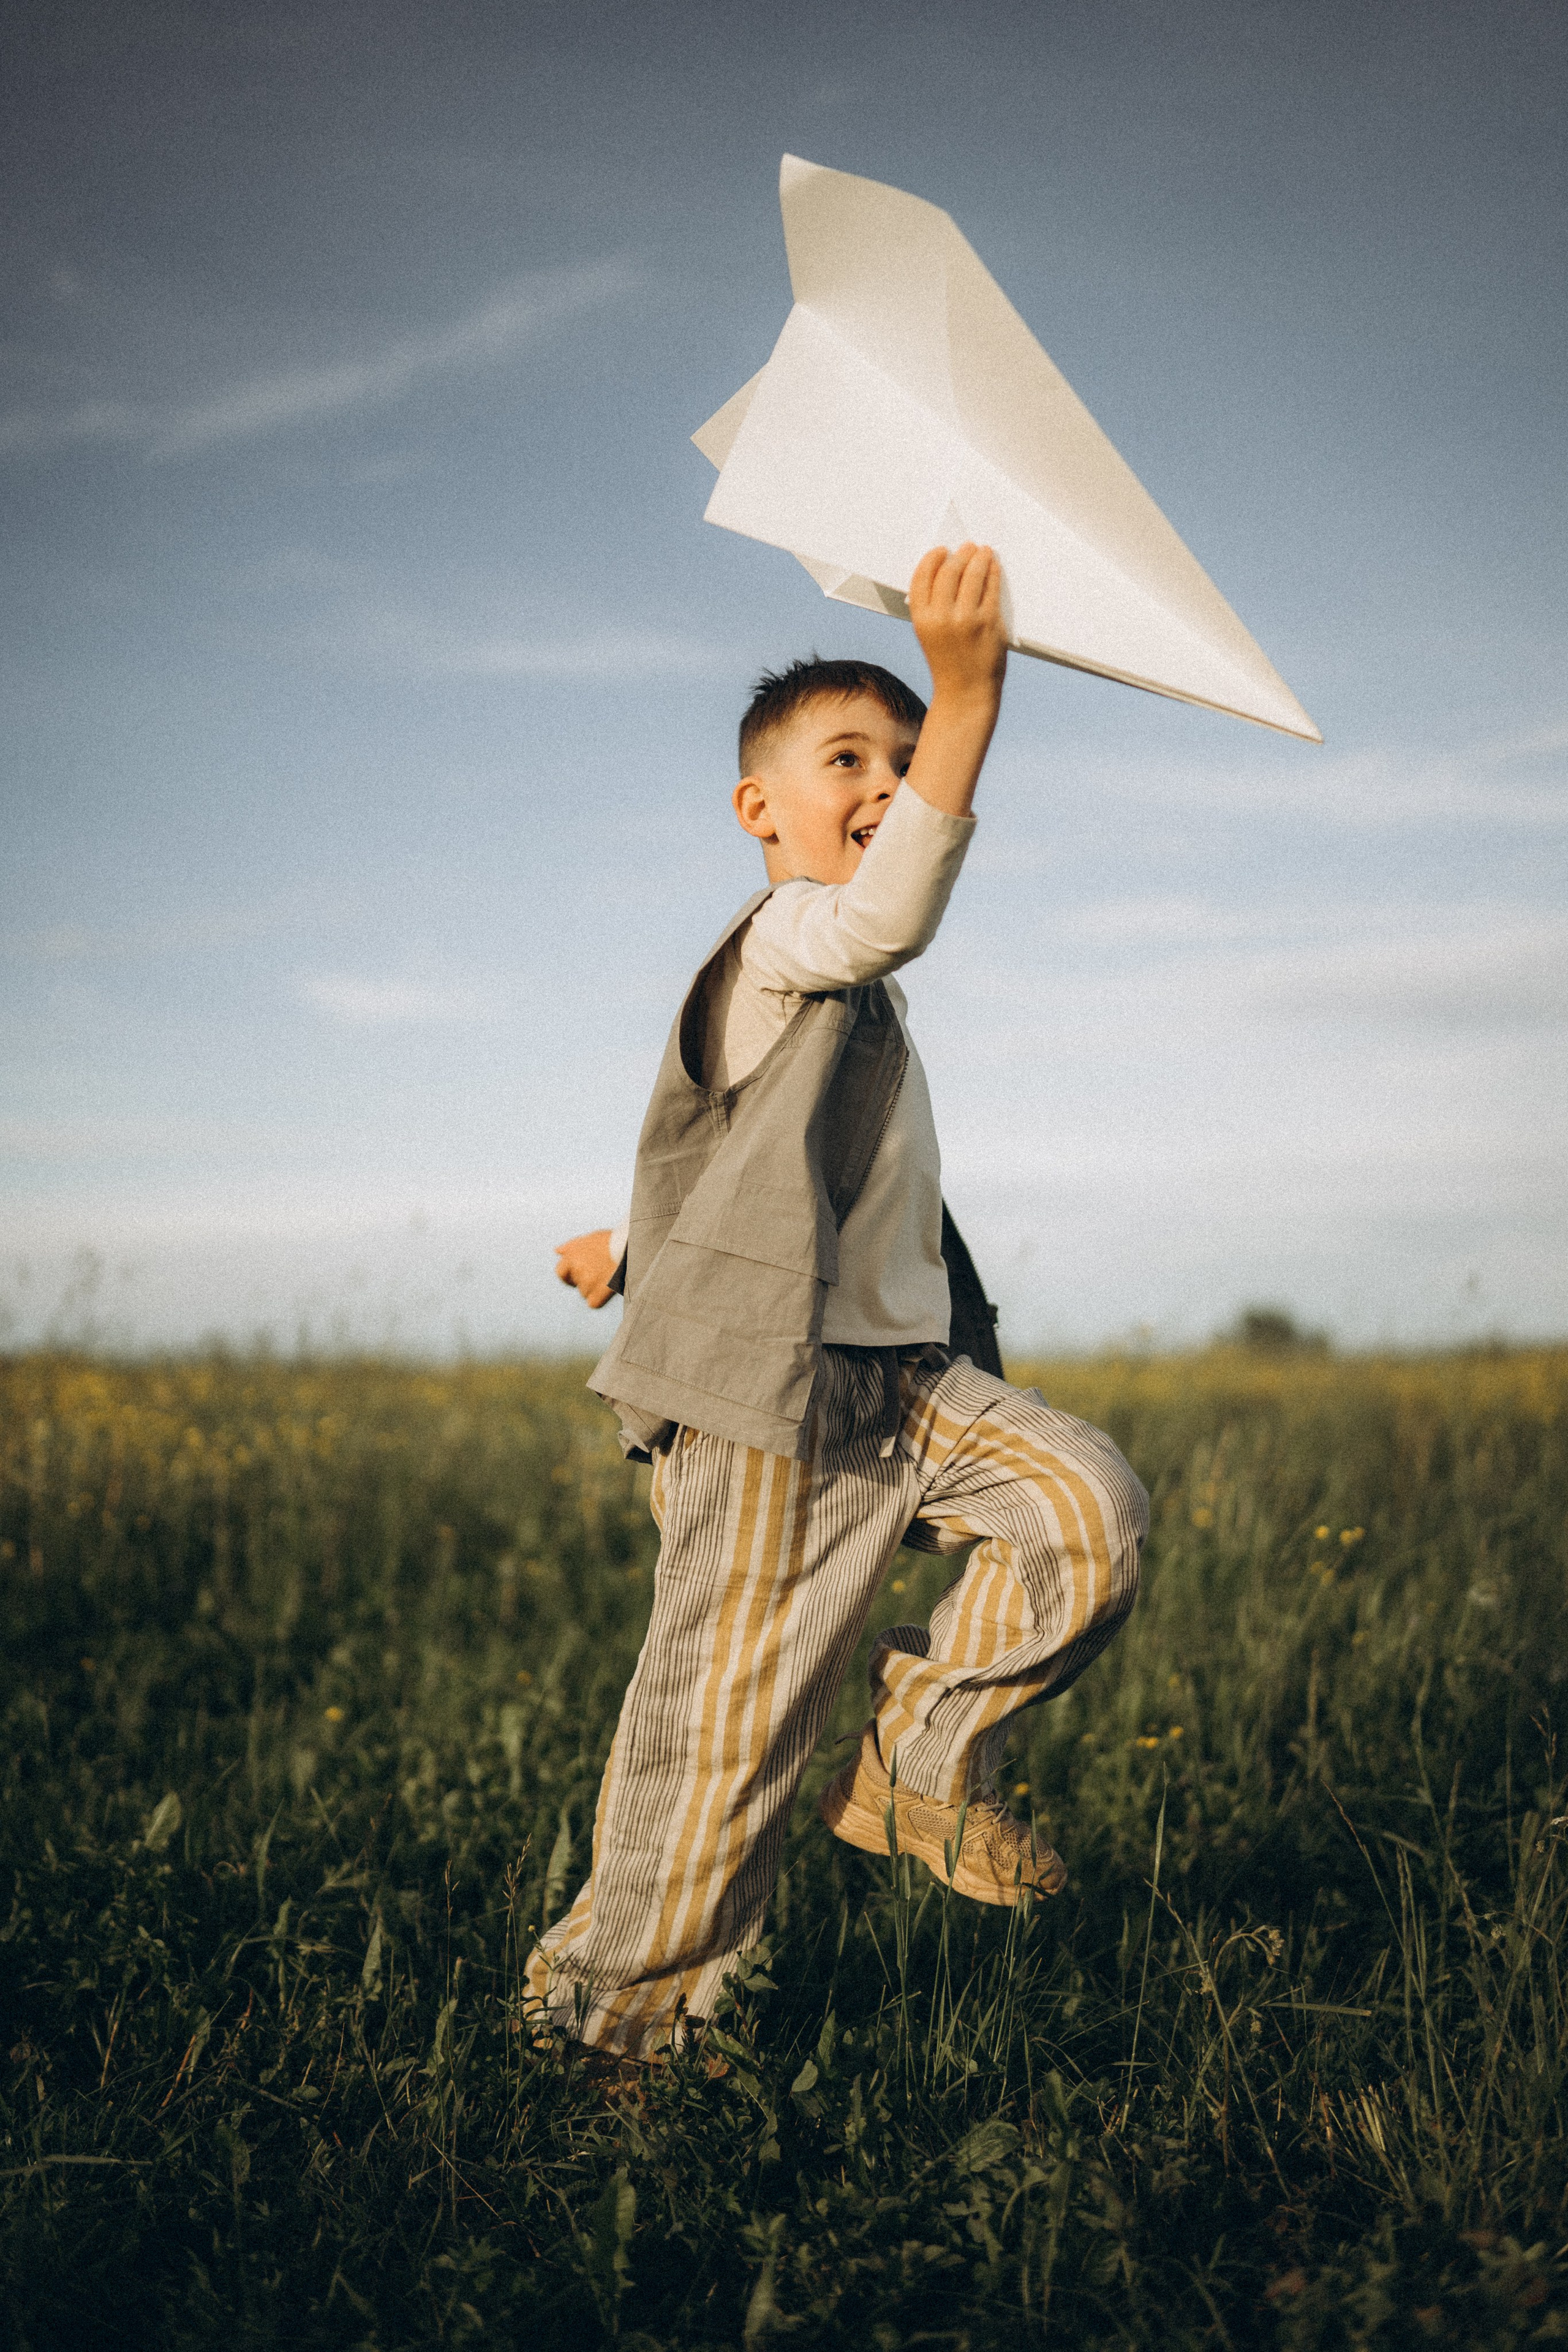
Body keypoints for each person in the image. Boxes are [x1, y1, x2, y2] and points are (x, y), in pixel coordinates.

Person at [532, 543, 1147, 2059]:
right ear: (761, 811)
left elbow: (762, 1173)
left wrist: (636, 1249)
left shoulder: (848, 991)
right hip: (771, 1408)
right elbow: (883, 913)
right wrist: (969, 692)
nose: (883, 777)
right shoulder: (797, 939)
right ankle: (608, 2026)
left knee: (1087, 1506)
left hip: (902, 1381)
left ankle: (915, 1765)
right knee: (725, 1734)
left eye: (902, 752)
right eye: (847, 757)